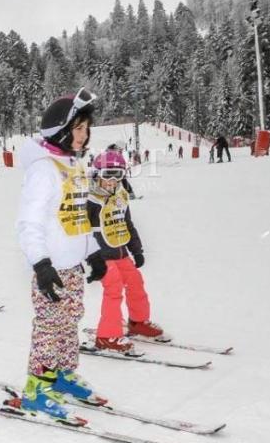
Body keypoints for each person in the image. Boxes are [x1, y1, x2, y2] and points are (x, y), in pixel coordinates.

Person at [15, 88, 102, 420]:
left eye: (86, 129)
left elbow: (77, 215)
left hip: (72, 266)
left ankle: (62, 375)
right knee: (49, 327)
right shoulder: (43, 170)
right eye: (78, 129)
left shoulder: (73, 165)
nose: (85, 135)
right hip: (50, 268)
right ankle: (36, 387)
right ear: (62, 131)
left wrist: (91, 252)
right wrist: (41, 264)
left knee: (69, 324)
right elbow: (28, 223)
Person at [86, 150, 165, 353]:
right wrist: (89, 259)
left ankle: (138, 322)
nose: (112, 181)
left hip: (121, 251)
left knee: (135, 282)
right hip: (101, 255)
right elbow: (81, 232)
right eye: (108, 175)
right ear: (97, 174)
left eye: (118, 175)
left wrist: (136, 250)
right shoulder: (90, 200)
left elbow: (126, 222)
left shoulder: (120, 195)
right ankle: (106, 336)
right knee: (113, 288)